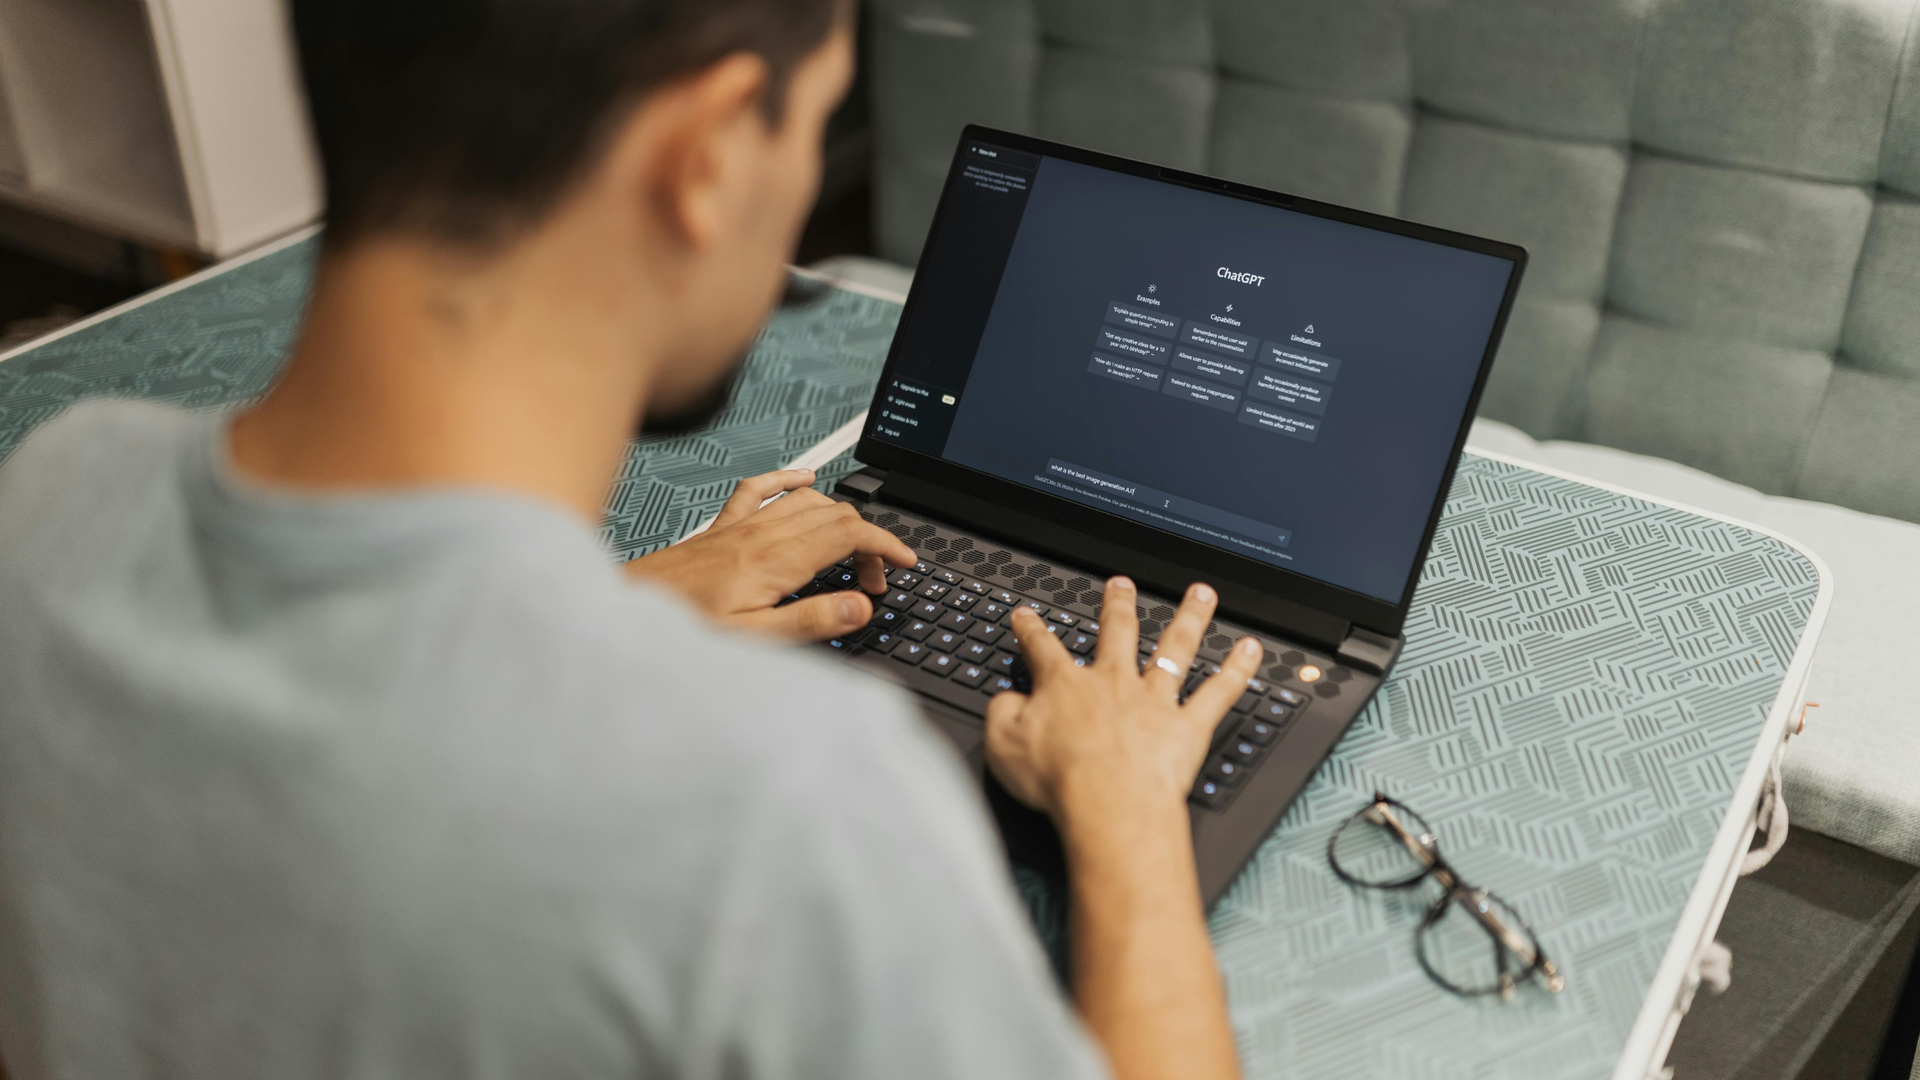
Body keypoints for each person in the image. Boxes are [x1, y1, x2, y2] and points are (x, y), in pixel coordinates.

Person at [0, 2, 1263, 1078]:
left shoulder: (49, 500)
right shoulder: (783, 804)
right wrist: (1127, 815)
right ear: (707, 151)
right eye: (814, 123)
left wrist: (614, 616)